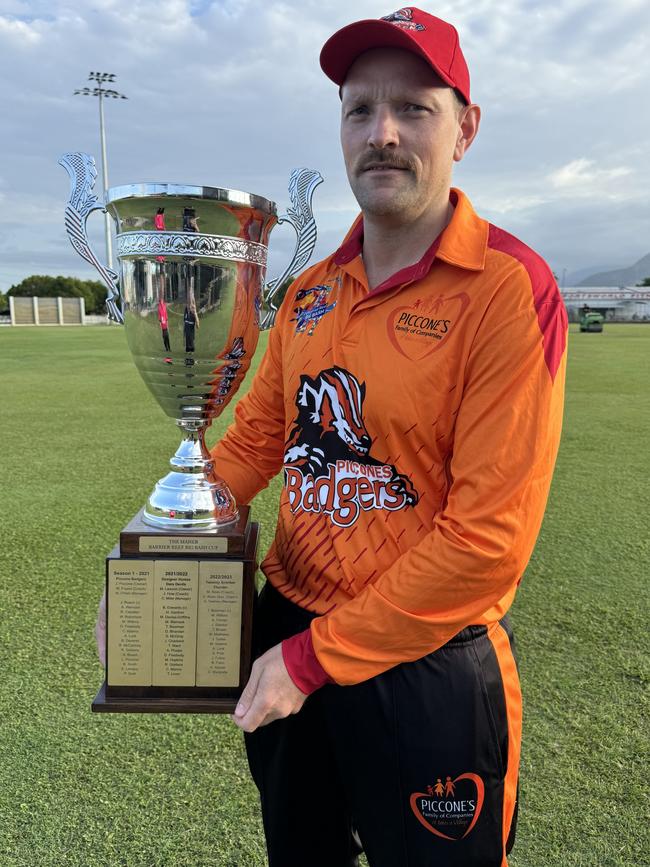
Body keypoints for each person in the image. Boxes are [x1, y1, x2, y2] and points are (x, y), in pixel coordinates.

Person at [96, 7, 567, 866]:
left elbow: (487, 541)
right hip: (290, 630)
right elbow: (250, 444)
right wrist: (151, 562)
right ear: (341, 128)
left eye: (414, 108)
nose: (382, 133)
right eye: (359, 109)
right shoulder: (312, 290)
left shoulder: (508, 287)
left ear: (465, 128)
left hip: (422, 662)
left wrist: (313, 662)